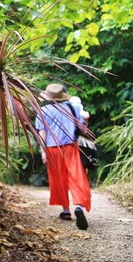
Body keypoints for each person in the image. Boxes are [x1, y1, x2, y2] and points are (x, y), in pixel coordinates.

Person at [35, 83, 91, 230]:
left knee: (58, 179)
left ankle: (66, 211)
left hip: (52, 149)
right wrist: (86, 120)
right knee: (77, 177)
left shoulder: (43, 111)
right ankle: (79, 206)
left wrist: (43, 152)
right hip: (71, 147)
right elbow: (83, 129)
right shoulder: (73, 108)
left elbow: (42, 134)